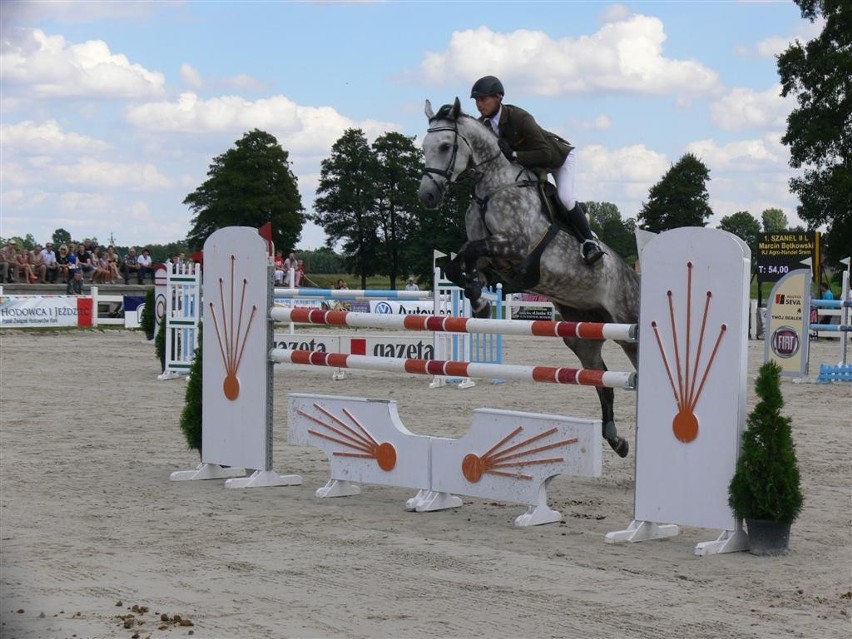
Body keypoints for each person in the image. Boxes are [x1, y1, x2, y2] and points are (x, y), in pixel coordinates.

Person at [470, 75, 604, 265]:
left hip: (557, 158)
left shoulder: (520, 118)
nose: (479, 104)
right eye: (476, 100)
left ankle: (590, 243)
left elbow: (546, 154)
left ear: (498, 97)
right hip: (530, 165)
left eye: (483, 99)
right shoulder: (483, 125)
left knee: (565, 197)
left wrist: (515, 155)